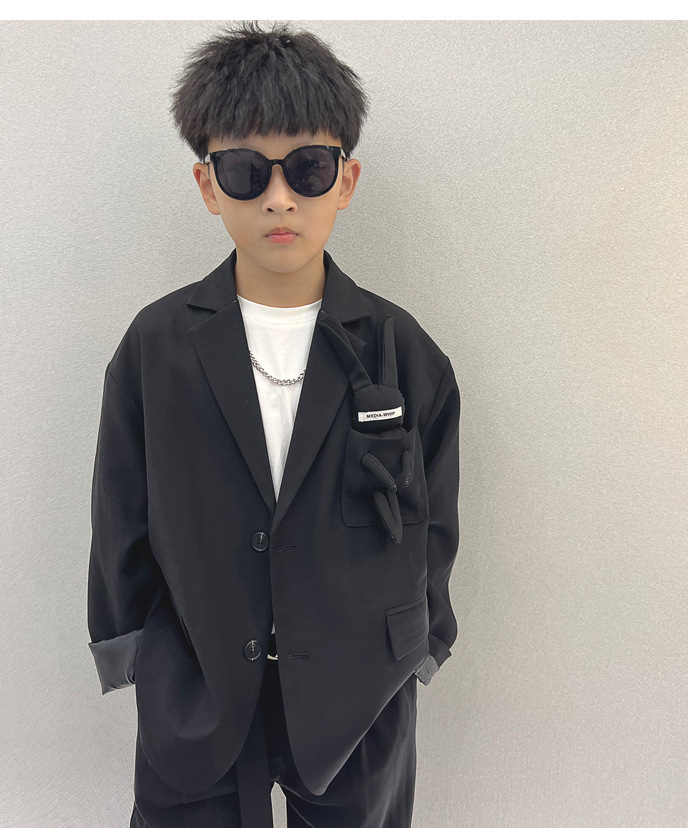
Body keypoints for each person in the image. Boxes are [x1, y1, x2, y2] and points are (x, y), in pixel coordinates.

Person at [87, 20, 461, 828]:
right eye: (247, 171)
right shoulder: (157, 345)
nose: (280, 198)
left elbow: (433, 519)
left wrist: (419, 640)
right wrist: (133, 646)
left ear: (346, 180)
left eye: (309, 168)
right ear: (208, 184)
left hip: (361, 690)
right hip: (200, 683)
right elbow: (122, 509)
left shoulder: (403, 349)